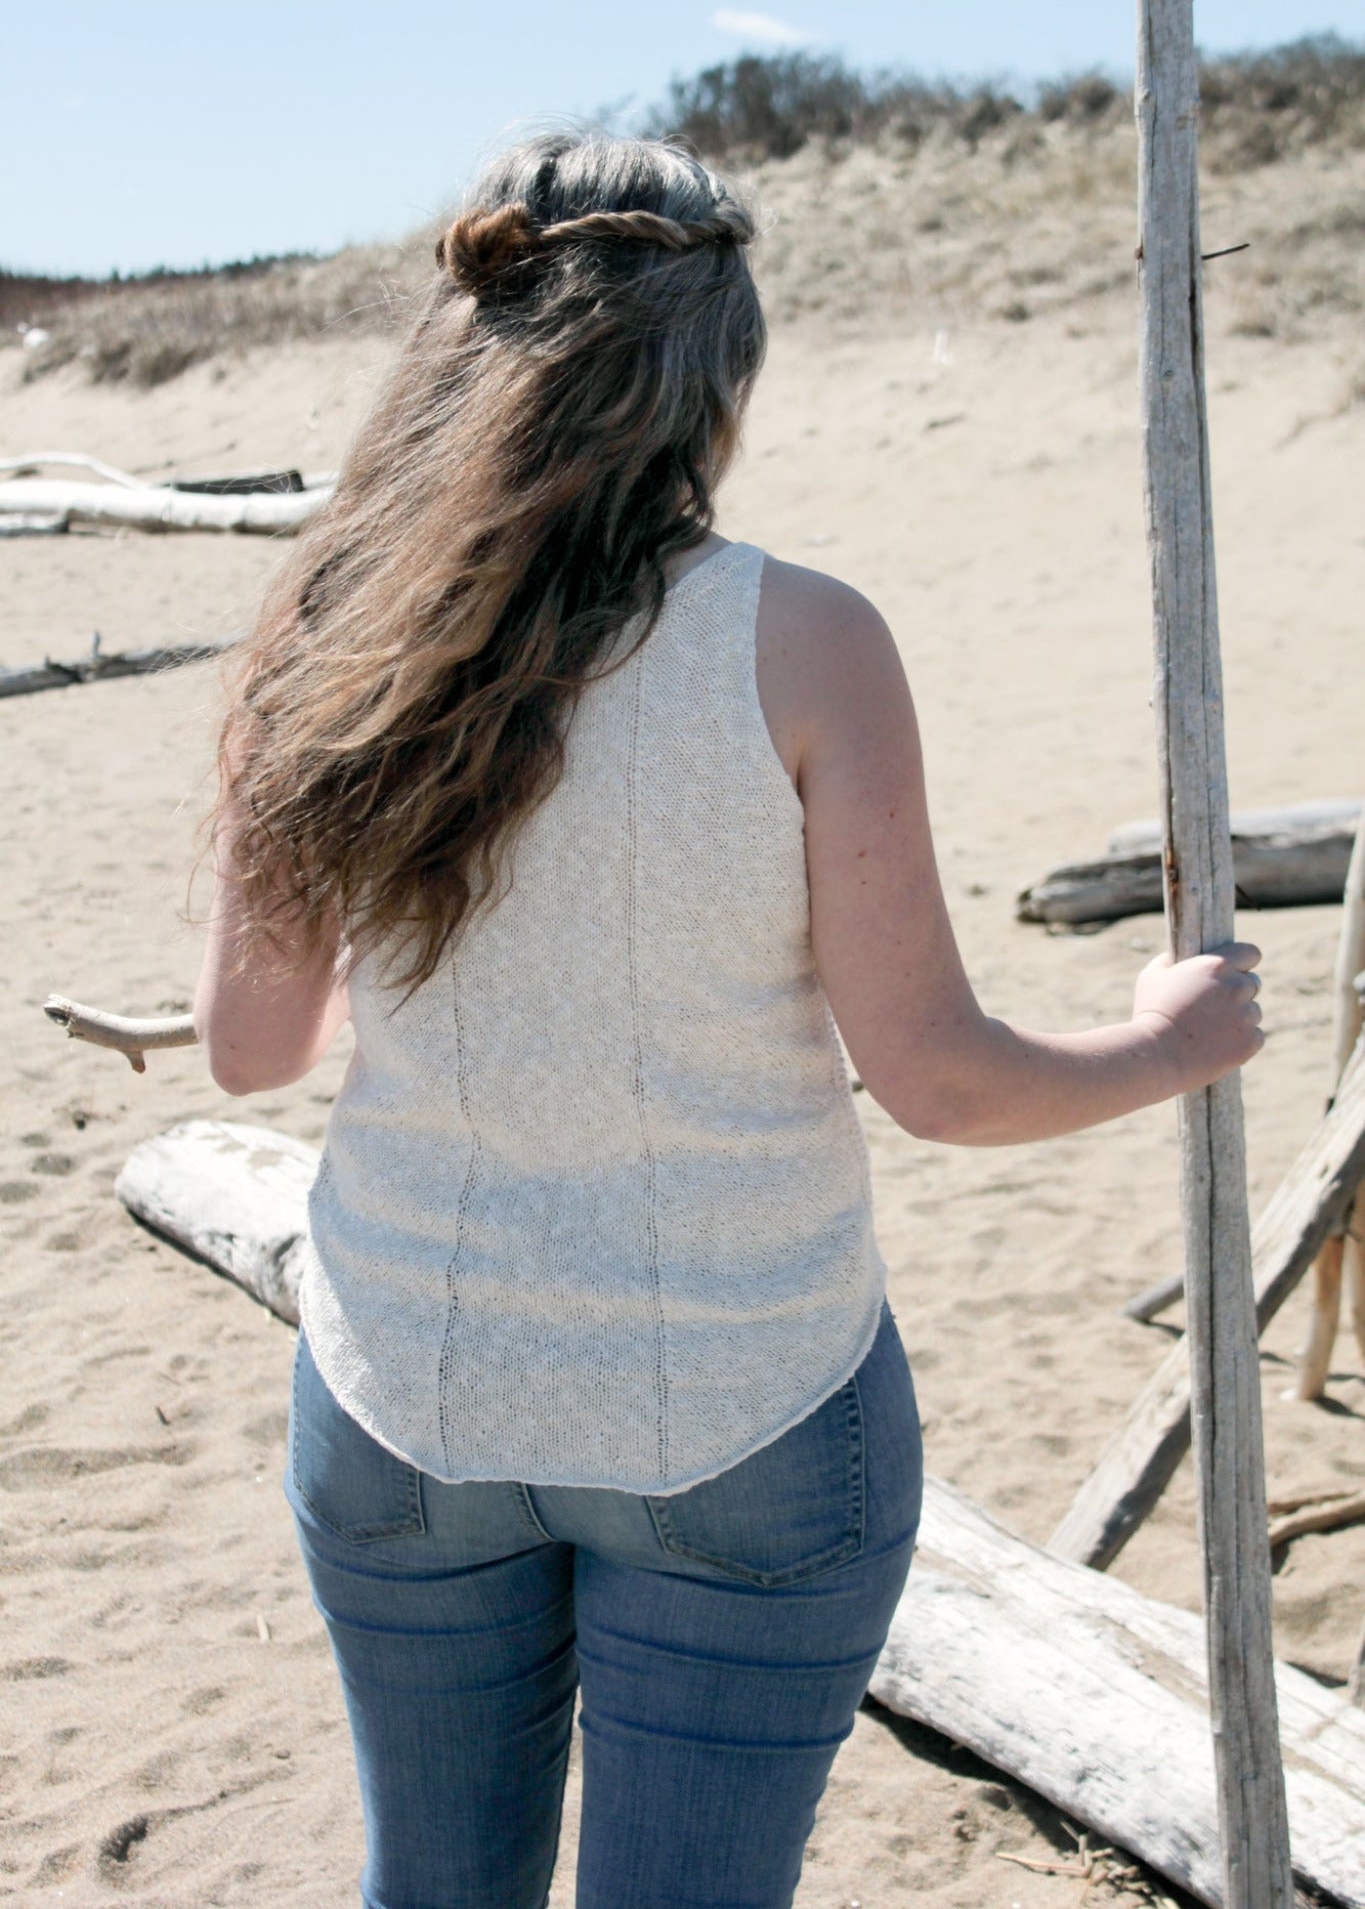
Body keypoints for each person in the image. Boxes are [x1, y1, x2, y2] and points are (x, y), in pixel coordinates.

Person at [193, 132, 1264, 1909]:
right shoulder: (801, 639)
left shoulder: (324, 631)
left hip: (403, 1395)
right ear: (715, 381)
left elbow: (249, 1052)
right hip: (743, 1405)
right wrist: (1168, 1043)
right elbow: (935, 1080)